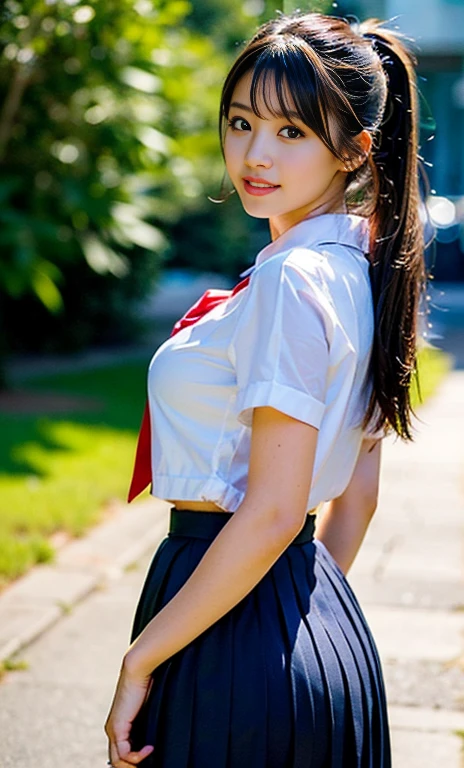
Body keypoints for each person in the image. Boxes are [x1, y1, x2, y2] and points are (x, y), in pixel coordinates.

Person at [104, 10, 429, 768]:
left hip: (225, 609)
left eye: (291, 133)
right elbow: (357, 497)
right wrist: (293, 617)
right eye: (241, 121)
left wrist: (139, 659)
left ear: (353, 151)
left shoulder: (290, 280)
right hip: (310, 615)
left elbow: (278, 507)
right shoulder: (364, 269)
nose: (254, 154)